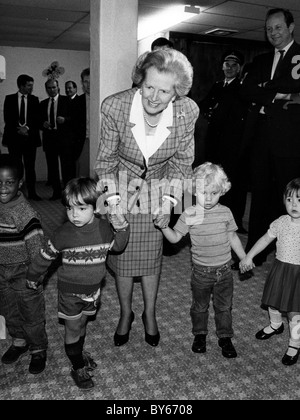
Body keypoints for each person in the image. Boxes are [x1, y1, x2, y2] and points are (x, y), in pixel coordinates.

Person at [94, 49, 199, 348]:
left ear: (176, 93)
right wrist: (114, 204)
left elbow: (182, 163)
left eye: (164, 91)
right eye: (148, 87)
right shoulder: (115, 106)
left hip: (159, 186)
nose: (154, 97)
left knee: (152, 258)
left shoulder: (187, 111)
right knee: (123, 258)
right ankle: (126, 313)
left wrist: (168, 204)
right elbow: (105, 162)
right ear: (140, 80)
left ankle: (149, 314)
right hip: (120, 185)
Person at [26, 177, 130, 390]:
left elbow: (118, 247)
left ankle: (78, 353)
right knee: (73, 328)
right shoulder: (63, 233)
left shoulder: (103, 228)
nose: (74, 215)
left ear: (95, 207)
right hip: (70, 293)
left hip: (93, 292)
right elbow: (44, 257)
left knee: (83, 324)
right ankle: (77, 366)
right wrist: (33, 276)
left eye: (82, 208)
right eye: (70, 208)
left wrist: (122, 228)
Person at [158, 162, 246, 358]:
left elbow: (232, 237)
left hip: (224, 271)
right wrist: (164, 226)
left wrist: (243, 257)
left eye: (213, 193)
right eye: (202, 193)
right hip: (201, 272)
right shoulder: (190, 213)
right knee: (199, 307)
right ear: (193, 190)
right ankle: (200, 335)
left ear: (222, 191)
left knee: (224, 307)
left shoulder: (226, 212)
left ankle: (225, 337)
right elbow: (175, 238)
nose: (207, 198)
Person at [240, 8, 300, 266]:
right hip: (261, 136)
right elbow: (246, 91)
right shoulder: (261, 61)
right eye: (268, 29)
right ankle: (255, 252)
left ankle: (290, 253)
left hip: (290, 139)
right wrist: (280, 94)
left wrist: (269, 90)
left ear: (291, 27)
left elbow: (296, 89)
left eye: (278, 27)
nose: (273, 33)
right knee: (260, 195)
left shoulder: (299, 57)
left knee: (288, 197)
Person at [240, 178, 300, 366]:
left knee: (294, 311)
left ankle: (294, 343)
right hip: (280, 268)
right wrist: (249, 256)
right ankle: (276, 325)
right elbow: (265, 240)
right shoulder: (280, 222)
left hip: (298, 274)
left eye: (299, 199)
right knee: (272, 301)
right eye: (289, 199)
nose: (294, 204)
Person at [0, 154, 48, 374]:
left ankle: (38, 348)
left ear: (19, 184)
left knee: (31, 314)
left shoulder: (25, 213)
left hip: (24, 272)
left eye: (9, 183)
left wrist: (35, 276)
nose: (3, 187)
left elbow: (38, 248)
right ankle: (19, 342)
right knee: (9, 310)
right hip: (2, 272)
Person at [199, 50, 249, 235]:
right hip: (214, 142)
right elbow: (204, 105)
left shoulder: (242, 88)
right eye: (226, 64)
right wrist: (212, 111)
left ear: (240, 68)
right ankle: (214, 217)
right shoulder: (217, 85)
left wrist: (218, 111)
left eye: (234, 65)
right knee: (213, 180)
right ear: (222, 67)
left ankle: (235, 222)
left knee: (232, 184)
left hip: (232, 145)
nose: (229, 68)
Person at [2, 74, 42, 201]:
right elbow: (7, 118)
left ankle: (32, 193)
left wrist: (27, 128)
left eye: (32, 85)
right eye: (29, 85)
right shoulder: (9, 99)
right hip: (14, 139)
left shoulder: (35, 100)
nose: (31, 87)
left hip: (30, 139)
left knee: (30, 167)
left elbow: (37, 118)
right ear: (21, 85)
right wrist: (19, 129)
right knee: (15, 168)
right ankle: (15, 194)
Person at [40, 78, 74, 200]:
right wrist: (42, 124)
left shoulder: (67, 101)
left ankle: (68, 193)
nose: (52, 90)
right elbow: (38, 121)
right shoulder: (43, 103)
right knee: (52, 168)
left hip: (64, 139)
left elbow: (74, 119)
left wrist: (65, 120)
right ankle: (56, 192)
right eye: (49, 88)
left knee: (66, 168)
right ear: (46, 89)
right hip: (50, 139)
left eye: (54, 87)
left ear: (58, 88)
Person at [76, 68, 90, 177]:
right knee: (83, 175)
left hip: (101, 141)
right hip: (83, 142)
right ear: (82, 83)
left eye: (91, 81)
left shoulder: (104, 99)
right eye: (86, 82)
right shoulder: (76, 102)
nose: (89, 85)